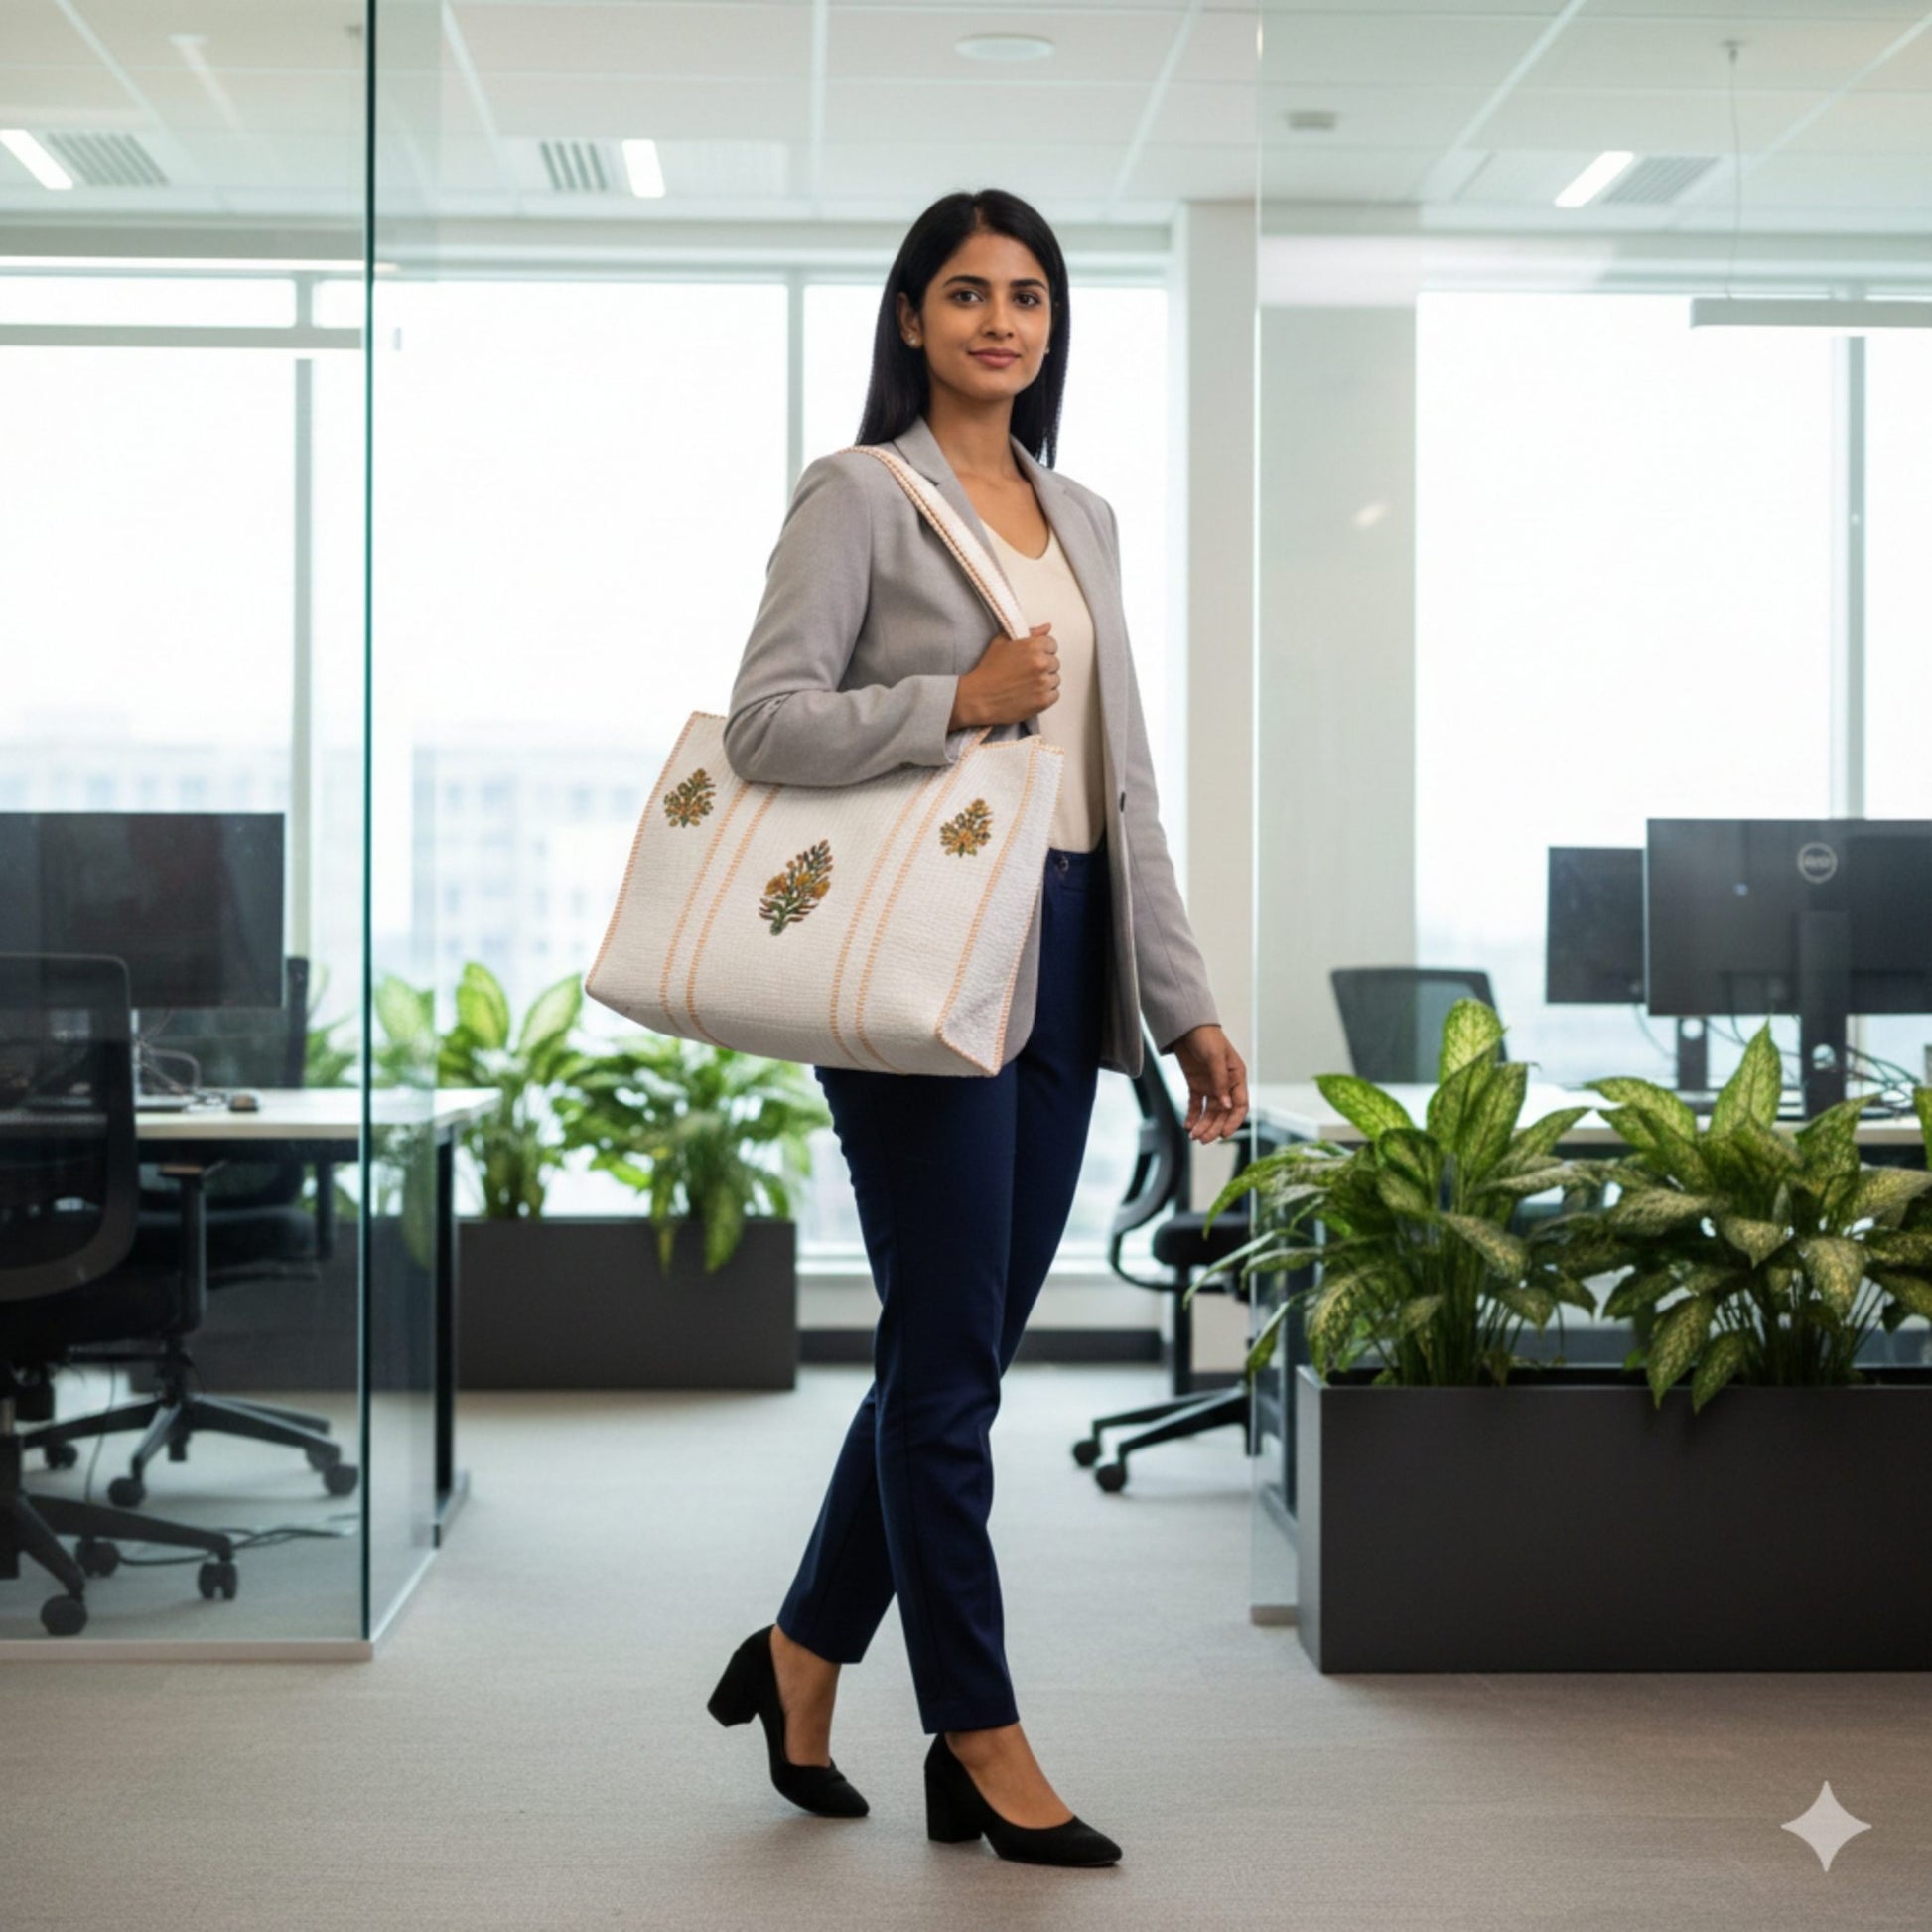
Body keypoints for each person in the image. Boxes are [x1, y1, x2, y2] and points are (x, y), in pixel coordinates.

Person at [706, 188, 1249, 1868]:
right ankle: (977, 1729)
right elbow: (764, 723)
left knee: (956, 1356)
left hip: (1068, 952)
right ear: (910, 320)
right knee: (946, 1368)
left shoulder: (1080, 512)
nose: (999, 321)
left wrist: (1185, 998)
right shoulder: (861, 496)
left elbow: (1122, 783)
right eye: (965, 293)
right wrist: (957, 701)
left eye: (1025, 295)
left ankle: (802, 1648)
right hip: (921, 966)